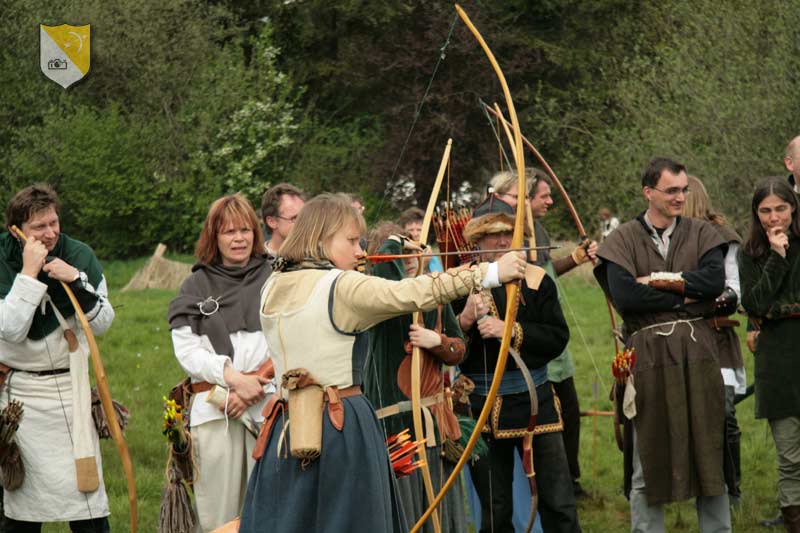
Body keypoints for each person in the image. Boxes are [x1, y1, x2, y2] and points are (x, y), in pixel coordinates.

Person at [238, 193, 526, 532]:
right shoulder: (341, 286)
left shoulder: (272, 284)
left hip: (286, 428)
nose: (361, 251)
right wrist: (490, 271)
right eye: (351, 241)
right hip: (340, 425)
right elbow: (411, 293)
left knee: (293, 520)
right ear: (321, 238)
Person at [594, 157, 730, 532]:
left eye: (683, 189)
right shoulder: (621, 239)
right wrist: (685, 296)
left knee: (709, 453)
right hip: (647, 358)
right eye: (672, 190)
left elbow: (714, 283)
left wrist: (656, 280)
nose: (680, 197)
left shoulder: (702, 233)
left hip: (699, 354)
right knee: (647, 457)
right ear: (648, 192)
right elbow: (626, 297)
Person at [453, 196, 580, 533]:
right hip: (482, 407)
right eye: (492, 235)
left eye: (508, 234)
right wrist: (464, 320)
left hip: (536, 401)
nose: (501, 242)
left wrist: (510, 332)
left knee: (560, 502)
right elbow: (444, 349)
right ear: (476, 241)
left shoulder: (538, 280)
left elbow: (556, 338)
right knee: (496, 510)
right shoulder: (458, 283)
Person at [0, 184, 115, 531]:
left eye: (53, 223)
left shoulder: (78, 255)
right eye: (39, 227)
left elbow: (104, 324)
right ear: (16, 230)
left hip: (71, 392)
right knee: (18, 505)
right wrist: (28, 273)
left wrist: (77, 281)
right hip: (18, 399)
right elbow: (11, 329)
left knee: (87, 500)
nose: (50, 233)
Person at [167, 194, 275, 531]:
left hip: (268, 407)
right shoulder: (195, 285)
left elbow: (289, 339)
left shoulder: (277, 278)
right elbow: (188, 351)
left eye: (245, 230)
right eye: (229, 232)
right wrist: (231, 379)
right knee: (219, 516)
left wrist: (254, 386)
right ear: (214, 237)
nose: (239, 238)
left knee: (271, 509)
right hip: (216, 411)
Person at [363, 221, 467, 532]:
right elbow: (389, 285)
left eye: (413, 251)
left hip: (435, 423)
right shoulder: (371, 296)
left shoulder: (432, 294)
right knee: (408, 515)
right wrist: (393, 245)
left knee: (442, 510)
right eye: (401, 253)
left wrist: (439, 343)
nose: (409, 258)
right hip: (395, 428)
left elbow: (459, 349)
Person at [739, 178, 800, 531]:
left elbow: (767, 309)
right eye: (765, 210)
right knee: (790, 455)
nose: (774, 217)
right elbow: (755, 303)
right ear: (756, 213)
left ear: (793, 208)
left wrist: (776, 312)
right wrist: (777, 257)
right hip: (776, 360)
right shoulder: (749, 254)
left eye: (781, 208)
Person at [683, 175, 745, 504]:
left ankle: (731, 489)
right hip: (680, 337)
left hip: (716, 336)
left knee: (724, 415)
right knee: (687, 414)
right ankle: (698, 486)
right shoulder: (669, 236)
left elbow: (734, 288)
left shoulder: (721, 237)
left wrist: (695, 300)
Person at [260, 183, 305, 259]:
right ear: (272, 222)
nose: (304, 223)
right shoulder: (257, 263)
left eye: (305, 217)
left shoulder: (318, 258)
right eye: (295, 218)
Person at [398, 207, 443, 273]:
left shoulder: (430, 255)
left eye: (419, 230)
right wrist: (422, 263)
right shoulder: (399, 254)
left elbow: (438, 279)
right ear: (403, 231)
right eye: (411, 230)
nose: (415, 234)